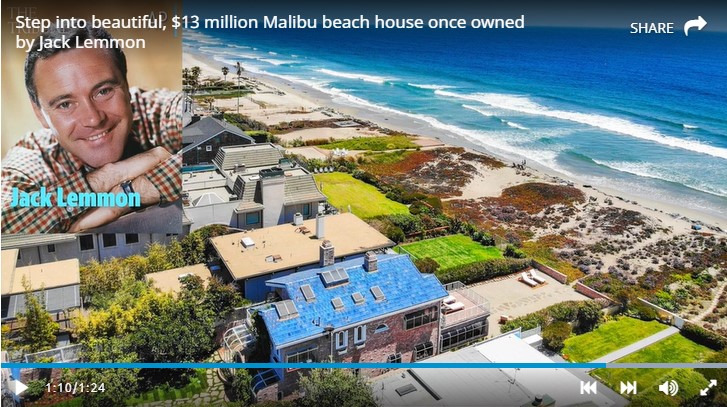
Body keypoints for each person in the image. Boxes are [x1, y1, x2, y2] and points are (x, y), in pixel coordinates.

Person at [1, 25, 182, 233]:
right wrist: (111, 176)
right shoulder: (32, 159)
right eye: (65, 104)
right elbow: (5, 226)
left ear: (126, 85)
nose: (93, 119)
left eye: (103, 91)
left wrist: (128, 194)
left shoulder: (157, 112)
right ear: (40, 114)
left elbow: (211, 131)